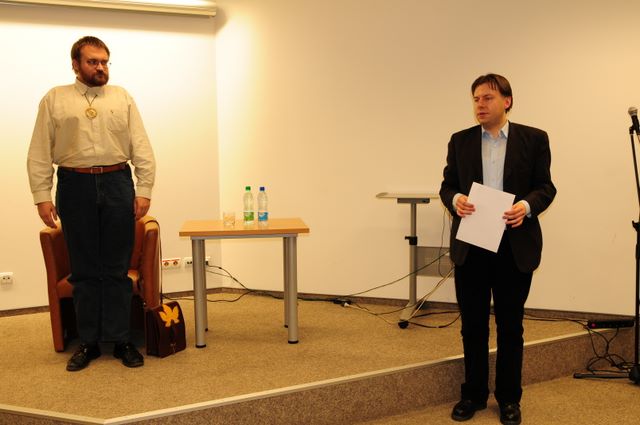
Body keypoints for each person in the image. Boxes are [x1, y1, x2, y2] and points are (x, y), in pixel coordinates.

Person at [27, 36, 156, 372]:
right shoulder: (55, 99)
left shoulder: (122, 97)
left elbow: (141, 145)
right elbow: (39, 150)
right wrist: (42, 196)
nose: (101, 68)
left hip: (117, 182)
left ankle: (121, 339)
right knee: (84, 269)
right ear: (75, 64)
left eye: (104, 62)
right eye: (93, 62)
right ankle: (88, 342)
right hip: (74, 185)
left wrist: (144, 188)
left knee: (116, 267)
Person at [439, 74, 556, 425]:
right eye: (476, 98)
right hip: (473, 244)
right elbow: (447, 186)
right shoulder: (460, 141)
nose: (480, 104)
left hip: (513, 245)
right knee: (472, 325)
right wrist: (456, 200)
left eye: (487, 98)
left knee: (510, 326)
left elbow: (545, 187)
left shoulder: (534, 139)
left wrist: (526, 206)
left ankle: (509, 399)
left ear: (507, 101)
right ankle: (473, 394)